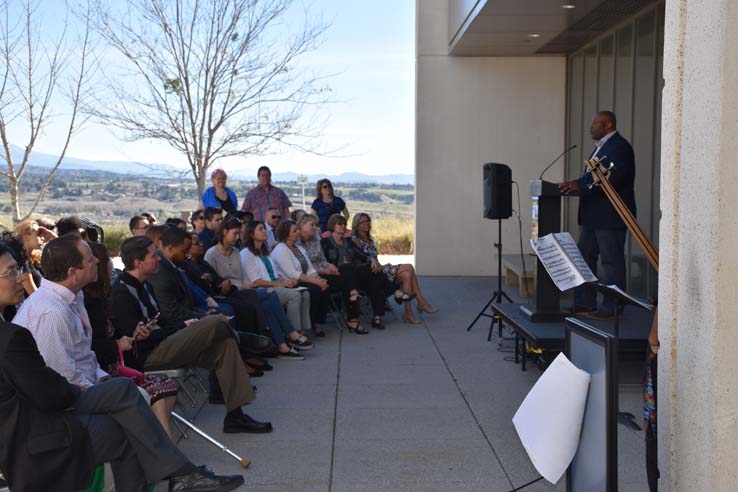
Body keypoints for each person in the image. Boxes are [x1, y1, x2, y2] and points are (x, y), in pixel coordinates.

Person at [0, 256, 243, 492]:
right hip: (32, 429)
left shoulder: (63, 304)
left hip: (40, 410)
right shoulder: (26, 326)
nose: (21, 277)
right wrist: (82, 388)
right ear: (73, 270)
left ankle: (179, 473)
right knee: (122, 423)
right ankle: (179, 474)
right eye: (10, 272)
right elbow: (48, 391)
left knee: (123, 390)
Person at [111, 234, 271, 434]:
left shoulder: (145, 285)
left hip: (166, 343)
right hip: (149, 355)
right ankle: (242, 338)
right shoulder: (122, 293)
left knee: (224, 345)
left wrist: (185, 325)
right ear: (138, 262)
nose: (159, 258)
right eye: (154, 255)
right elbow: (140, 341)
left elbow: (161, 322)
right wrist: (183, 327)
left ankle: (235, 416)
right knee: (213, 322)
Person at [84, 241, 178, 439]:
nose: (111, 265)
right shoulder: (91, 303)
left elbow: (118, 333)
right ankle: (167, 452)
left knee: (167, 386)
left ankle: (163, 449)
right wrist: (119, 344)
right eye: (106, 262)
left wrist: (133, 335)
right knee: (158, 393)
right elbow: (90, 348)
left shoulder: (104, 298)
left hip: (119, 364)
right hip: (104, 373)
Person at [558, 110, 636, 319]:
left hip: (610, 216)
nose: (591, 127)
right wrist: (573, 184)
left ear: (608, 125)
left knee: (611, 262)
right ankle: (585, 303)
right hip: (593, 216)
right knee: (584, 258)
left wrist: (580, 187)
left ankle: (612, 307)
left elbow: (612, 179)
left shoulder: (619, 147)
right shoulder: (601, 148)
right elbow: (591, 178)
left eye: (596, 124)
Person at [202, 219, 312, 357]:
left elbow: (243, 278)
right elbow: (215, 280)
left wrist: (281, 281)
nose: (237, 238)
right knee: (271, 295)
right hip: (229, 293)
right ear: (224, 232)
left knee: (267, 304)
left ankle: (282, 345)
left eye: (239, 234)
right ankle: (291, 333)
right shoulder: (212, 254)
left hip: (243, 289)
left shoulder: (236, 251)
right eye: (235, 234)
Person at [351, 212, 438, 323]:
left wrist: (383, 266)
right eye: (364, 222)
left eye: (368, 221)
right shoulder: (355, 240)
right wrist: (381, 267)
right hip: (372, 275)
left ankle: (408, 313)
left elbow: (375, 261)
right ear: (357, 225)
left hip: (380, 271)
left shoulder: (370, 240)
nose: (367, 223)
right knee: (409, 267)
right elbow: (363, 262)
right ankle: (421, 302)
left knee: (407, 275)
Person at [241, 221, 315, 336]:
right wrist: (280, 285)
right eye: (260, 229)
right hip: (262, 289)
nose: (264, 231)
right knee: (294, 296)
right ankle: (293, 331)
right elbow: (255, 281)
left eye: (264, 229)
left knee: (305, 293)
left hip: (275, 284)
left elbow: (276, 273)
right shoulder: (246, 253)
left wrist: (285, 281)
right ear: (251, 235)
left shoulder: (266, 252)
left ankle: (303, 330)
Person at [297, 214, 365, 333]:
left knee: (345, 273)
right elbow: (302, 266)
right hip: (309, 275)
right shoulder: (296, 243)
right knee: (342, 282)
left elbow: (322, 259)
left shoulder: (316, 238)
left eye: (315, 225)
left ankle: (352, 315)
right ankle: (351, 318)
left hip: (323, 271)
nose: (315, 227)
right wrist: (324, 270)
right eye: (312, 225)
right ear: (302, 225)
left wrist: (330, 266)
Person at [322, 213, 391, 329]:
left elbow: (362, 255)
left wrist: (372, 259)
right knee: (348, 267)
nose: (343, 226)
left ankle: (377, 317)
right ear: (333, 226)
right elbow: (322, 261)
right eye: (340, 224)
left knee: (374, 275)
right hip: (335, 276)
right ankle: (394, 291)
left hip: (352, 276)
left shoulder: (348, 241)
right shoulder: (325, 243)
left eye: (344, 224)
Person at [271, 220, 331, 335]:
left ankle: (317, 323)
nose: (298, 232)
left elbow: (309, 268)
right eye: (295, 231)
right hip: (291, 282)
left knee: (325, 288)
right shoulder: (281, 249)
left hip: (303, 280)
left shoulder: (299, 248)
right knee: (315, 290)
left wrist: (318, 279)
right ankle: (307, 324)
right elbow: (292, 273)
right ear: (286, 234)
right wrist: (316, 282)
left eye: (298, 229)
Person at [13, 218, 48, 293]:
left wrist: (54, 238)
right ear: (25, 237)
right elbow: (34, 295)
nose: (43, 238)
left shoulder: (37, 258)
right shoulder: (19, 261)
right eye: (38, 234)